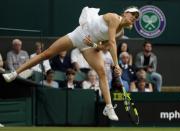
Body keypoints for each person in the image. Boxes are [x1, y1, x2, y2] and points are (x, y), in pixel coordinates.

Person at [3, 6, 140, 121]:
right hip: (78, 35)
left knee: (102, 72)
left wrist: (92, 44)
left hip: (88, 45)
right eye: (133, 14)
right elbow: (111, 43)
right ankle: (15, 73)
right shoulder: (113, 17)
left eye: (135, 17)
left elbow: (103, 47)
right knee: (46, 54)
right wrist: (117, 65)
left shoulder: (120, 32)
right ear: (126, 13)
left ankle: (108, 107)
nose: (133, 18)